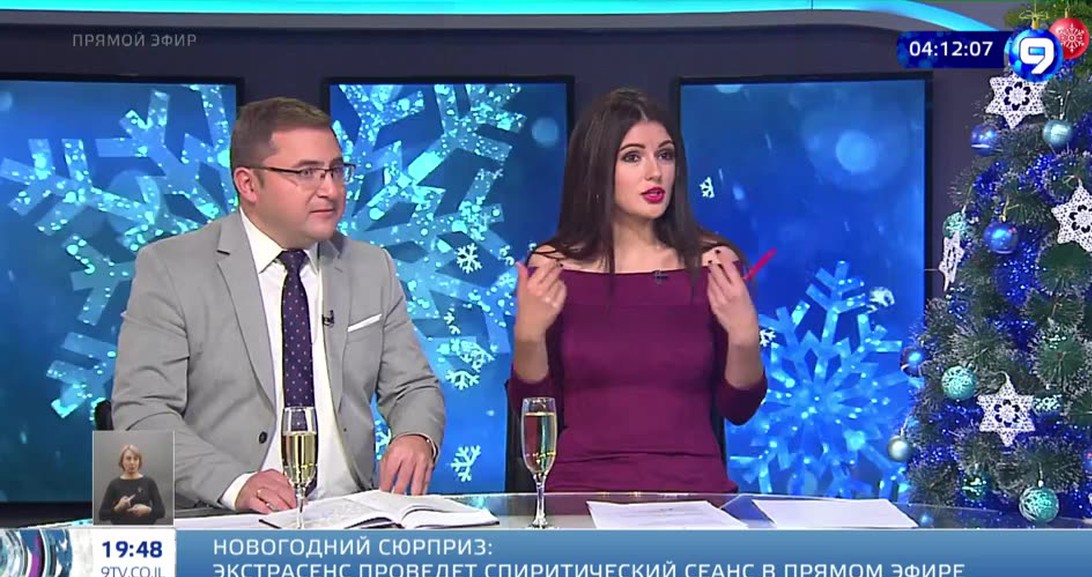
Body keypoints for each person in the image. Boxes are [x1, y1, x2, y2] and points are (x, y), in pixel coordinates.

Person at [112, 97, 445, 513]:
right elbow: (141, 415)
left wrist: (416, 436)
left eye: (336, 170)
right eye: (306, 173)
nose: (330, 190)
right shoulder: (172, 268)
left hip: (348, 519)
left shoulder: (371, 267)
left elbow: (413, 386)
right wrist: (236, 485)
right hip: (219, 520)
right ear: (248, 184)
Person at [508, 88, 767, 493]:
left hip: (695, 493)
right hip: (580, 492)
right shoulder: (554, 265)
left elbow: (739, 408)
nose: (655, 172)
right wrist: (527, 337)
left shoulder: (712, 262)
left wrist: (745, 337)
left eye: (665, 155)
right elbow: (536, 413)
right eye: (632, 157)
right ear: (596, 168)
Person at [98, 444, 166, 525]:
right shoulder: (114, 484)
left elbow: (161, 511)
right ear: (122, 461)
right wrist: (118, 508)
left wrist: (148, 510)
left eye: (135, 459)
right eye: (128, 458)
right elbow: (102, 515)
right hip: (121, 531)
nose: (132, 462)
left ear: (139, 461)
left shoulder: (149, 482)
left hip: (145, 531)